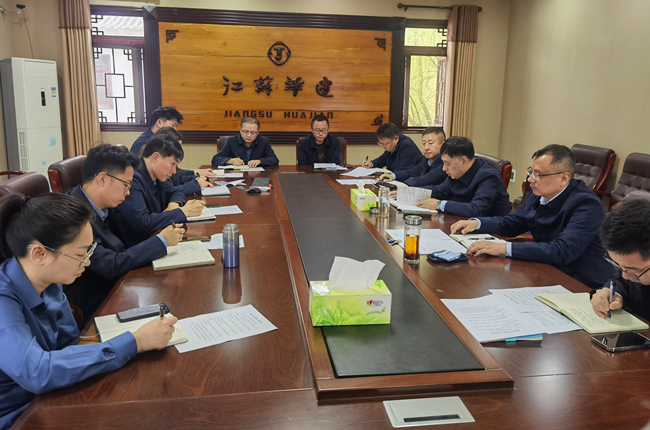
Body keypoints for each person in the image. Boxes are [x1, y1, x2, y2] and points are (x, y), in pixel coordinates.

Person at [0, 193, 177, 429]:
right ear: (40, 254)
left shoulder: (50, 280)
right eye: (79, 254)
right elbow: (37, 372)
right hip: (19, 416)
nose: (88, 261)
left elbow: (71, 343)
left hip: (54, 396)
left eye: (89, 251)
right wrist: (135, 341)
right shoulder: (4, 300)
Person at [450, 144, 614, 289]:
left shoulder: (587, 205)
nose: (530, 180)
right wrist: (477, 223)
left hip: (582, 284)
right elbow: (511, 223)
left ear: (564, 178)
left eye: (538, 174)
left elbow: (562, 251)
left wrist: (503, 248)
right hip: (546, 270)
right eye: (531, 172)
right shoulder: (539, 195)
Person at [66, 145, 185, 322]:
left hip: (122, 284)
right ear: (102, 179)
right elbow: (111, 265)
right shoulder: (72, 216)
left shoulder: (105, 205)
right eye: (126, 184)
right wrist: (162, 240)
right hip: (99, 301)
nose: (128, 192)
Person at [117, 134, 205, 247]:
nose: (174, 171)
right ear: (155, 157)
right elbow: (144, 222)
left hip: (160, 235)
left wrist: (174, 204)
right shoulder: (132, 178)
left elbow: (175, 192)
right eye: (173, 164)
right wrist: (183, 212)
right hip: (141, 246)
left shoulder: (158, 174)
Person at [416, 136, 511, 217]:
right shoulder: (458, 172)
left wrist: (439, 204)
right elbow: (440, 191)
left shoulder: (489, 176)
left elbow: (476, 210)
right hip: (460, 221)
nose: (444, 168)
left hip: (488, 229)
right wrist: (412, 191)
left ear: (463, 161)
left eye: (447, 163)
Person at [591, 199, 650, 320]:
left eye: (634, 271)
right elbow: (620, 281)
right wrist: (612, 293)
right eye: (618, 265)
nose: (625, 275)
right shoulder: (637, 266)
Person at [131, 107, 212, 180]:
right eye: (173, 125)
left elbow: (172, 173)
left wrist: (194, 172)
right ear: (159, 123)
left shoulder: (157, 140)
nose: (175, 130)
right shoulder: (144, 143)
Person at [376, 127, 447, 189]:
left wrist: (403, 184)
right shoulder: (426, 160)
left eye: (431, 143)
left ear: (443, 145)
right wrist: (392, 175)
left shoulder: (444, 163)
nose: (426, 148)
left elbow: (424, 180)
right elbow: (410, 172)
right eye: (423, 143)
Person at [153, 127, 214, 194]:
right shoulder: (159, 170)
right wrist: (195, 185)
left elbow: (177, 178)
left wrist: (197, 179)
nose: (179, 151)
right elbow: (169, 192)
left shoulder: (168, 166)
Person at [211, 117, 279, 168]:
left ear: (258, 132)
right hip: (236, 176)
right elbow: (215, 159)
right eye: (245, 132)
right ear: (240, 130)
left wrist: (260, 161)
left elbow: (274, 160)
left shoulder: (263, 141)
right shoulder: (232, 141)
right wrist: (230, 161)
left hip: (256, 176)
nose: (249, 135)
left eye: (253, 132)